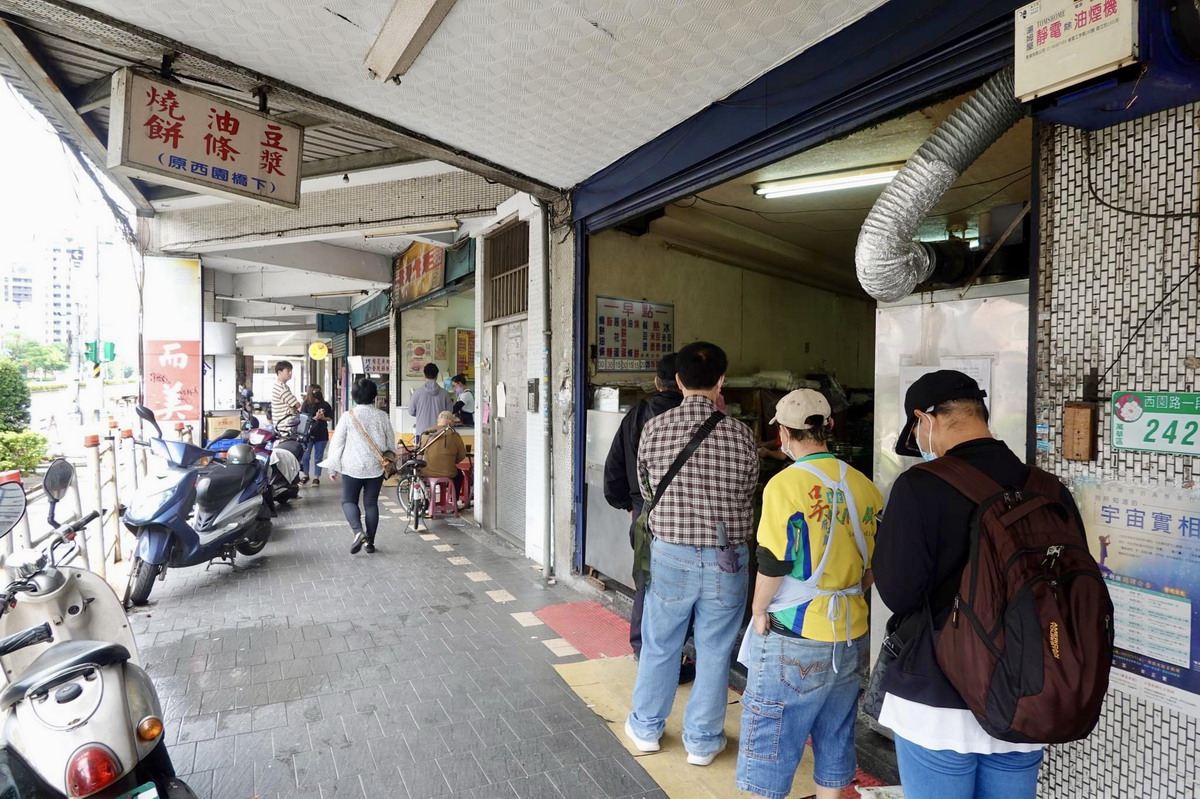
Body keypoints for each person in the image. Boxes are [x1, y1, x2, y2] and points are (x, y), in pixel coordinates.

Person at [874, 370, 1070, 799]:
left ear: (924, 420)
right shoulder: (1048, 488)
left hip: (939, 695)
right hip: (1025, 691)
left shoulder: (919, 486)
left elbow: (899, 593)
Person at [735, 389, 883, 799]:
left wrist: (759, 609)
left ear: (783, 433)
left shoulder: (785, 485)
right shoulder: (865, 486)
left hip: (795, 635)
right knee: (835, 731)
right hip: (850, 632)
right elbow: (875, 565)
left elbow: (772, 563)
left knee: (770, 737)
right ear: (829, 427)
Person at [624, 341, 758, 767]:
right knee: (716, 649)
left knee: (661, 643)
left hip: (671, 555)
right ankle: (702, 742)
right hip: (727, 557)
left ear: (678, 381)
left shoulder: (655, 428)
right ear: (721, 381)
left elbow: (646, 492)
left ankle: (646, 728)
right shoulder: (741, 434)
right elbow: (747, 492)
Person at [602, 352, 683, 660]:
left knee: (646, 579)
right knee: (682, 581)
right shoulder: (697, 418)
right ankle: (674, 651)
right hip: (685, 513)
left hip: (643, 510)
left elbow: (615, 465)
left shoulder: (638, 414)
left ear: (656, 382)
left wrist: (627, 503)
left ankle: (642, 646)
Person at [323, 378, 396, 555]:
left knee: (348, 501)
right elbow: (390, 445)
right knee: (371, 504)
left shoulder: (348, 416)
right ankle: (369, 543)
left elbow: (337, 443)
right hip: (375, 467)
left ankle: (358, 532)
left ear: (354, 396)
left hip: (352, 467)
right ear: (374, 396)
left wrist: (332, 467)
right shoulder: (382, 416)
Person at [419, 410, 468, 501]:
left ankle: (425, 501)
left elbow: (420, 451)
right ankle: (453, 500)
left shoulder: (427, 432)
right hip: (448, 472)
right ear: (451, 422)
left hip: (427, 471)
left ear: (438, 420)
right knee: (459, 475)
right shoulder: (455, 435)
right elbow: (461, 456)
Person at [409, 363, 453, 445]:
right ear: (437, 376)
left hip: (422, 433)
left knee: (421, 456)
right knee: (438, 456)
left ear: (424, 376)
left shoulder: (417, 393)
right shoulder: (444, 393)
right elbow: (449, 413)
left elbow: (411, 411)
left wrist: (421, 413)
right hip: (440, 433)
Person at [299, 385, 334, 486]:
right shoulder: (306, 404)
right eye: (314, 392)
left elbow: (330, 418)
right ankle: (305, 475)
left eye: (318, 391)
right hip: (308, 434)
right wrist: (315, 417)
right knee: (305, 456)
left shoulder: (326, 405)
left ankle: (316, 477)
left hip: (322, 433)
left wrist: (322, 417)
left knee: (318, 457)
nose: (317, 394)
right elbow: (303, 419)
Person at [271, 361, 300, 435]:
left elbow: (294, 407)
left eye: (291, 371)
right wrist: (294, 408)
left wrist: (293, 409)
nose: (290, 373)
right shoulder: (281, 388)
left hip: (282, 427)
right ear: (280, 372)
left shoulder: (280, 386)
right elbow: (298, 405)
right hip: (286, 428)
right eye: (288, 371)